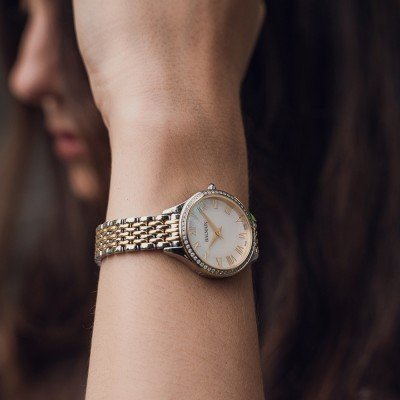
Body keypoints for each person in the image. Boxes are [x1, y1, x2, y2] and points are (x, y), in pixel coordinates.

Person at [0, 0, 399, 399]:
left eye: (72, 23)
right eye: (26, 18)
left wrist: (168, 106)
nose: (26, 77)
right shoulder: (39, 329)